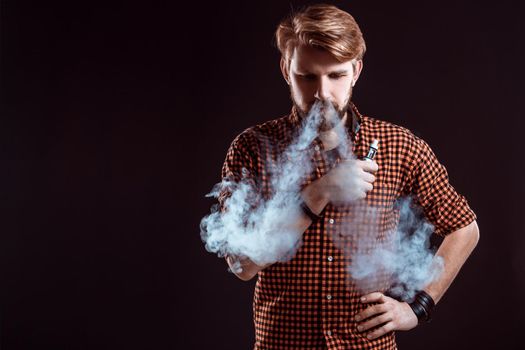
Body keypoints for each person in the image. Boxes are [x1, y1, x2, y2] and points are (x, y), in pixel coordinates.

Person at [218, 4, 479, 349]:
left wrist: (418, 307)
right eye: (307, 76)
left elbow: (464, 227)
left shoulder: (399, 145)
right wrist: (319, 192)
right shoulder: (252, 148)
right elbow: (242, 264)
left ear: (356, 71)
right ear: (285, 69)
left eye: (336, 75)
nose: (322, 93)